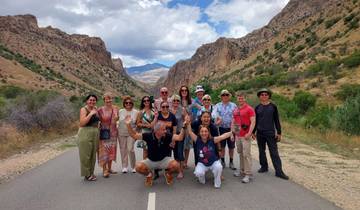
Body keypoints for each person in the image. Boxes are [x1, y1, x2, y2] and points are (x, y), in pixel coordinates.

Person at [125, 118, 186, 186]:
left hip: (163, 160)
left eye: (165, 129)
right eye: (163, 129)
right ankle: (149, 175)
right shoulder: (148, 136)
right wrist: (128, 125)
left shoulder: (167, 135)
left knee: (176, 165)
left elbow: (180, 137)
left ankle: (168, 173)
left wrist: (183, 127)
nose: (165, 131)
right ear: (157, 130)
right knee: (138, 167)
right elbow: (134, 135)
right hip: (151, 161)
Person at [186, 115, 234, 188]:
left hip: (213, 162)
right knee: (198, 173)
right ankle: (202, 180)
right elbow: (189, 132)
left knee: (219, 167)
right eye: (202, 131)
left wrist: (232, 132)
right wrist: (188, 122)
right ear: (199, 133)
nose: (204, 133)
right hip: (202, 163)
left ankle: (217, 182)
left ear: (208, 133)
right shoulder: (197, 140)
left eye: (206, 131)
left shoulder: (212, 140)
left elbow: (223, 136)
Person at [253, 88, 289, 180]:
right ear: (259, 97)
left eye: (266, 94)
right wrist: (253, 132)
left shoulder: (273, 107)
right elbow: (255, 122)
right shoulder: (257, 108)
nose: (264, 96)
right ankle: (264, 167)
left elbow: (277, 120)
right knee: (261, 151)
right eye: (262, 94)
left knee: (274, 152)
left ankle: (279, 171)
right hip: (260, 133)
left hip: (270, 133)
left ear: (269, 96)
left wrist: (279, 132)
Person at [232, 92, 256, 183]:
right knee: (241, 153)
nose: (240, 99)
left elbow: (253, 122)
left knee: (246, 154)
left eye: (242, 98)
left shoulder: (249, 109)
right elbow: (234, 121)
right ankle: (242, 170)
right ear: (237, 99)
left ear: (245, 98)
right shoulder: (236, 109)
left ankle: (248, 174)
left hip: (246, 136)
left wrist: (249, 133)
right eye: (239, 98)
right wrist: (233, 133)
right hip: (238, 135)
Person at [212, 89, 237, 169]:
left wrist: (236, 130)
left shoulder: (233, 105)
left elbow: (237, 116)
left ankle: (231, 162)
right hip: (221, 128)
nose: (225, 96)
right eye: (223, 95)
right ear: (221, 97)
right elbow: (213, 114)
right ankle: (222, 161)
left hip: (231, 128)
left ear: (229, 96)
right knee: (222, 146)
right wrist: (217, 117)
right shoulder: (217, 105)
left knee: (231, 146)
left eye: (226, 95)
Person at [77, 94, 99, 181]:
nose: (92, 101)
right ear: (87, 101)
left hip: (95, 132)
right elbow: (82, 123)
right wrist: (90, 114)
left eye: (94, 100)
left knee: (93, 154)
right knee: (85, 155)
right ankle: (87, 174)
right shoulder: (83, 109)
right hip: (85, 132)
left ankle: (91, 173)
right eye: (90, 100)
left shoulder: (95, 109)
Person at [97, 93, 119, 178]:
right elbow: (97, 120)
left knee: (111, 151)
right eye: (107, 99)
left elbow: (119, 119)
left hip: (113, 132)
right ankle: (104, 170)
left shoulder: (116, 108)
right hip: (104, 133)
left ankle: (110, 168)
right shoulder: (100, 110)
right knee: (104, 152)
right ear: (104, 100)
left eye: (110, 99)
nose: (108, 100)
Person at [118, 96, 138, 173]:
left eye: (130, 103)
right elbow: (116, 119)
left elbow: (137, 123)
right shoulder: (120, 111)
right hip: (121, 132)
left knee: (130, 149)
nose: (128, 104)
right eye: (126, 103)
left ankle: (134, 166)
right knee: (123, 149)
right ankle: (124, 166)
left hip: (131, 133)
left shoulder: (136, 112)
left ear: (132, 103)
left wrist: (136, 134)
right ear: (124, 104)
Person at [170, 94, 187, 179]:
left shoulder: (182, 109)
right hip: (172, 133)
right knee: (175, 151)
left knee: (180, 151)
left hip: (180, 132)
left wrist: (185, 129)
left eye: (177, 101)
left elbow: (186, 120)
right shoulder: (168, 109)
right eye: (174, 101)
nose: (176, 102)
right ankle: (177, 167)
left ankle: (180, 171)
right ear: (172, 102)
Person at [178, 85, 193, 169]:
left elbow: (199, 108)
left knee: (187, 146)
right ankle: (180, 162)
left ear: (187, 92)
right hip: (179, 127)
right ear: (180, 92)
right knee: (180, 145)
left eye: (185, 90)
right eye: (182, 90)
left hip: (188, 126)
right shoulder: (177, 101)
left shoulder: (191, 101)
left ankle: (185, 162)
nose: (184, 91)